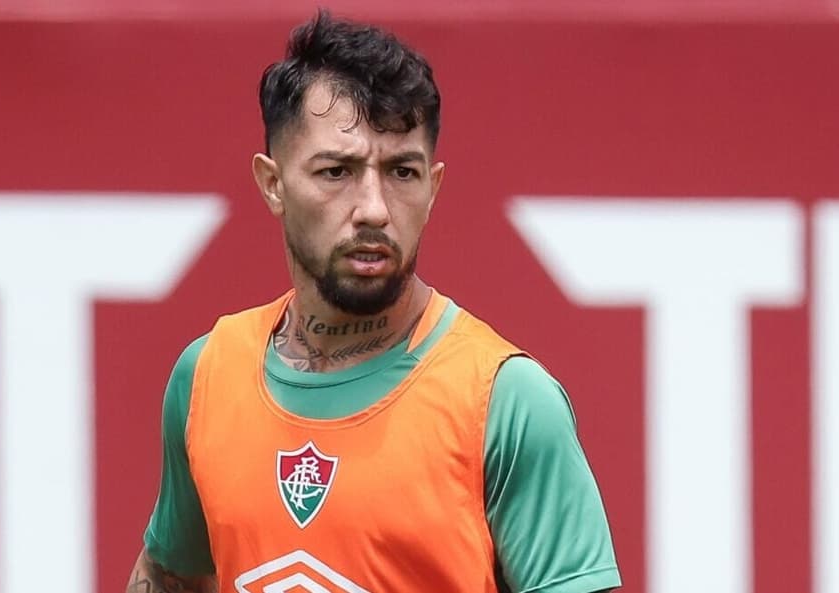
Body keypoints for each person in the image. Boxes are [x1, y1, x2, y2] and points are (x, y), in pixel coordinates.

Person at [126, 10, 621, 593]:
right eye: (337, 171)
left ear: (433, 188)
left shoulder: (506, 401)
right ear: (273, 183)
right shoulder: (207, 376)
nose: (374, 208)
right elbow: (169, 575)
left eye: (402, 172)